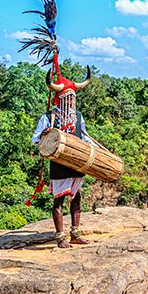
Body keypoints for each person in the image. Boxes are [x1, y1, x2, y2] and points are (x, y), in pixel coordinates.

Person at [32, 68, 95, 248]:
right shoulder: (49, 117)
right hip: (59, 165)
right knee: (58, 200)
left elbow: (85, 137)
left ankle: (75, 233)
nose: (71, 101)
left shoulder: (78, 117)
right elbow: (35, 139)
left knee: (76, 198)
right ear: (60, 99)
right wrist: (44, 136)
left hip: (76, 164)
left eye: (73, 98)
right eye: (68, 98)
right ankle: (60, 237)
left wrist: (96, 151)